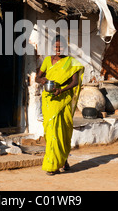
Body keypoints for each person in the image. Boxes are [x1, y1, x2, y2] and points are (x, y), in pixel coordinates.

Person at [35, 35, 84, 175]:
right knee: (51, 133)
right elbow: (37, 78)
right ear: (52, 47)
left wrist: (61, 90)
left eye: (61, 47)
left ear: (65, 47)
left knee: (64, 131)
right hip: (49, 100)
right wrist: (43, 80)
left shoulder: (71, 62)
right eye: (56, 47)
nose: (58, 49)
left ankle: (62, 160)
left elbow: (75, 82)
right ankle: (54, 164)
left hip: (64, 98)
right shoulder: (47, 60)